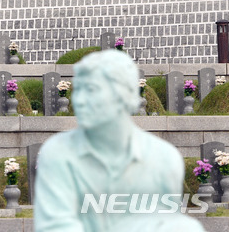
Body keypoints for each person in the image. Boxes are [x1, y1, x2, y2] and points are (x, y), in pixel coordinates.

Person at [34, 50, 204, 232]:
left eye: (91, 90)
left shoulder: (164, 159)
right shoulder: (58, 153)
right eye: (78, 90)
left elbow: (166, 223)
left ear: (126, 95)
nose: (79, 101)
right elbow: (55, 227)